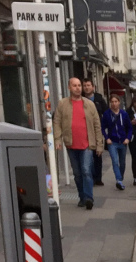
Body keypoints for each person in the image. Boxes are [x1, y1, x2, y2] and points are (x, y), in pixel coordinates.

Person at [53, 76, 102, 209]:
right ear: (69, 88)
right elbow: (57, 122)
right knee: (77, 173)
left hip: (87, 144)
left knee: (86, 170)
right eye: (74, 85)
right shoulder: (62, 104)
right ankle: (81, 196)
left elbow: (97, 125)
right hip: (71, 144)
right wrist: (57, 139)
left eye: (79, 85)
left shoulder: (89, 104)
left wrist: (99, 144)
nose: (78, 88)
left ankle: (88, 198)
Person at [102, 95, 132, 191]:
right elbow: (102, 128)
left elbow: (129, 127)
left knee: (122, 163)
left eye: (116, 101)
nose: (114, 103)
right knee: (115, 161)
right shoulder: (107, 114)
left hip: (123, 142)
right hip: (112, 142)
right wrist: (107, 138)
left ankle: (121, 178)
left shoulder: (124, 114)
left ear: (119, 102)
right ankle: (118, 180)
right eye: (112, 102)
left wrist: (128, 138)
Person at [83, 78, 108, 186]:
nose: (86, 87)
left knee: (98, 154)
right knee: (88, 155)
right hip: (85, 131)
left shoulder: (99, 98)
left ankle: (98, 178)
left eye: (88, 85)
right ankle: (90, 177)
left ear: (93, 87)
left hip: (97, 130)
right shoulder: (81, 99)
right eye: (85, 85)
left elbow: (106, 112)